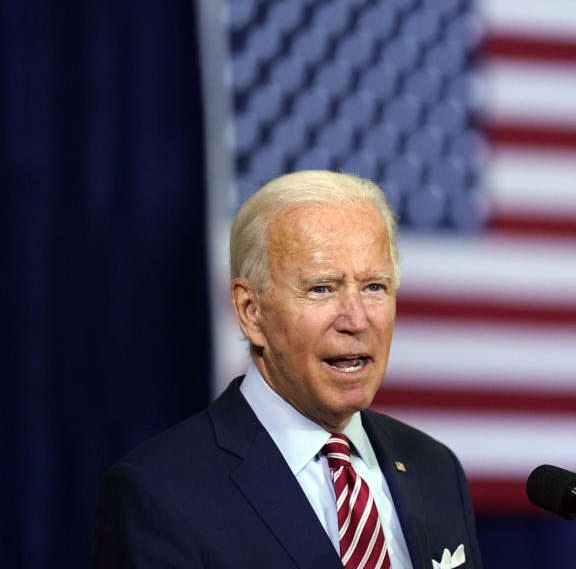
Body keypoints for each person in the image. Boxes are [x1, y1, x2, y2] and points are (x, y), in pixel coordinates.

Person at [91, 171, 483, 568]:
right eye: (322, 288)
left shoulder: (434, 467)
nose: (357, 320)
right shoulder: (161, 493)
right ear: (251, 312)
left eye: (374, 287)